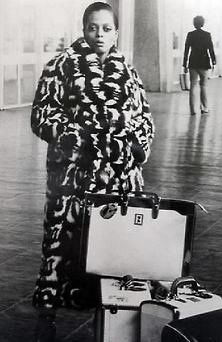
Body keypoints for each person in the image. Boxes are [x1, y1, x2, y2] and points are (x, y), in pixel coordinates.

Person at [30, 2, 154, 341]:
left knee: (115, 250)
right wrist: (79, 138)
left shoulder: (127, 70)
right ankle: (47, 316)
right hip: (72, 179)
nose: (99, 35)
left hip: (119, 179)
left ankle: (113, 320)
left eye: (106, 29)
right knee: (61, 248)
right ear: (83, 29)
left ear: (115, 31)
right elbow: (42, 116)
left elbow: (143, 115)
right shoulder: (61, 66)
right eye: (92, 28)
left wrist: (137, 144)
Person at [183, 15, 216, 115]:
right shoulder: (207, 35)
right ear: (203, 23)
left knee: (192, 86)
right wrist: (213, 61)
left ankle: (192, 110)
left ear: (194, 23)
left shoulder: (190, 34)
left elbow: (186, 50)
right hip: (204, 63)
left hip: (193, 63)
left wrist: (185, 64)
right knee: (203, 86)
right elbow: (210, 49)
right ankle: (204, 108)